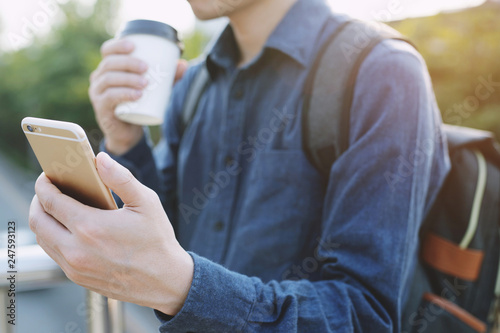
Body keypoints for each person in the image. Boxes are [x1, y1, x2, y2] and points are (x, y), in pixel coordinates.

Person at [29, 0, 450, 331]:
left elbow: (366, 316)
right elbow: (168, 237)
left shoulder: (383, 73)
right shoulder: (192, 87)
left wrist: (183, 289)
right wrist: (125, 140)